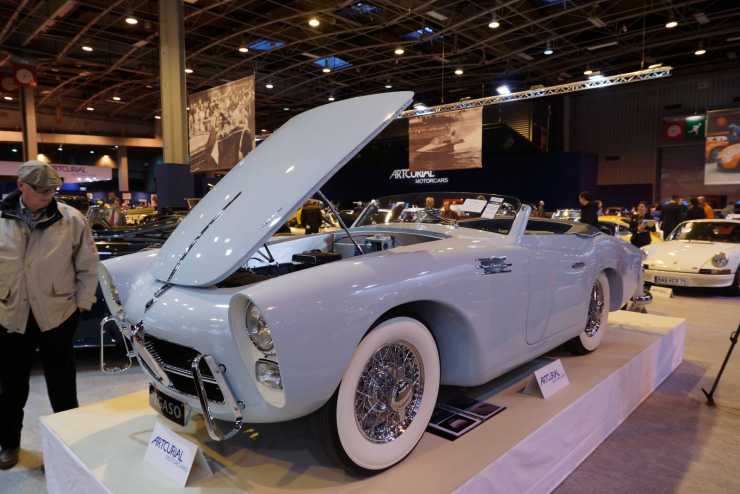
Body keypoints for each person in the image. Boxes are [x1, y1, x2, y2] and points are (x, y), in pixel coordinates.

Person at [0, 161, 98, 470]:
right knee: (10, 387)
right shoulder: (1, 219)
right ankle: (9, 444)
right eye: (40, 190)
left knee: (63, 386)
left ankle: (68, 447)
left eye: (52, 190)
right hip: (10, 314)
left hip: (57, 314)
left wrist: (82, 305)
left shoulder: (72, 220)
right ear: (21, 186)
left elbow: (88, 266)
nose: (47, 196)